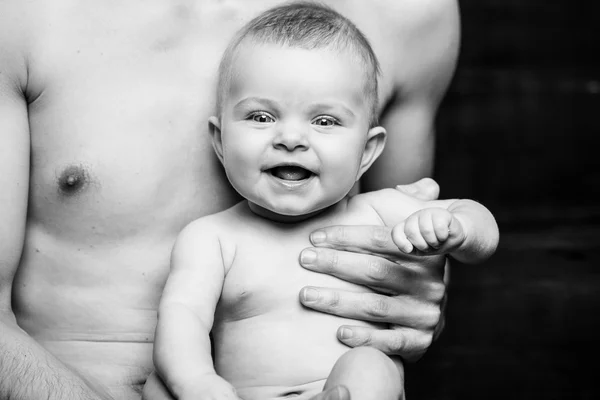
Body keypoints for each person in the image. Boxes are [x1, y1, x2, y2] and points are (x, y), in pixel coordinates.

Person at [0, 0, 460, 399]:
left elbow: (414, 270)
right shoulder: (24, 13)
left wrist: (416, 307)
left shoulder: (407, 14)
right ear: (218, 139)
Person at [143, 4, 497, 400]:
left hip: (340, 391)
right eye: (261, 117)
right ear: (220, 141)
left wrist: (460, 229)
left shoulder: (378, 213)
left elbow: (476, 226)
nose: (290, 138)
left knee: (369, 365)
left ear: (368, 151)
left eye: (324, 121)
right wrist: (198, 384)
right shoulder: (212, 238)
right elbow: (182, 317)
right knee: (161, 384)